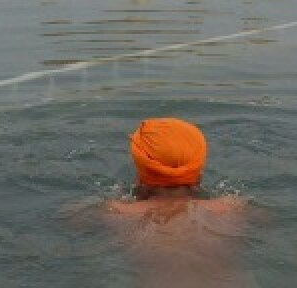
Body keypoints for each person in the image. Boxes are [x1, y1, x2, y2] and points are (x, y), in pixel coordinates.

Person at [103, 117, 252, 287]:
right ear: (198, 175)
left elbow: (72, 221)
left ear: (140, 176)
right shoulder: (232, 207)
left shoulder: (118, 212)